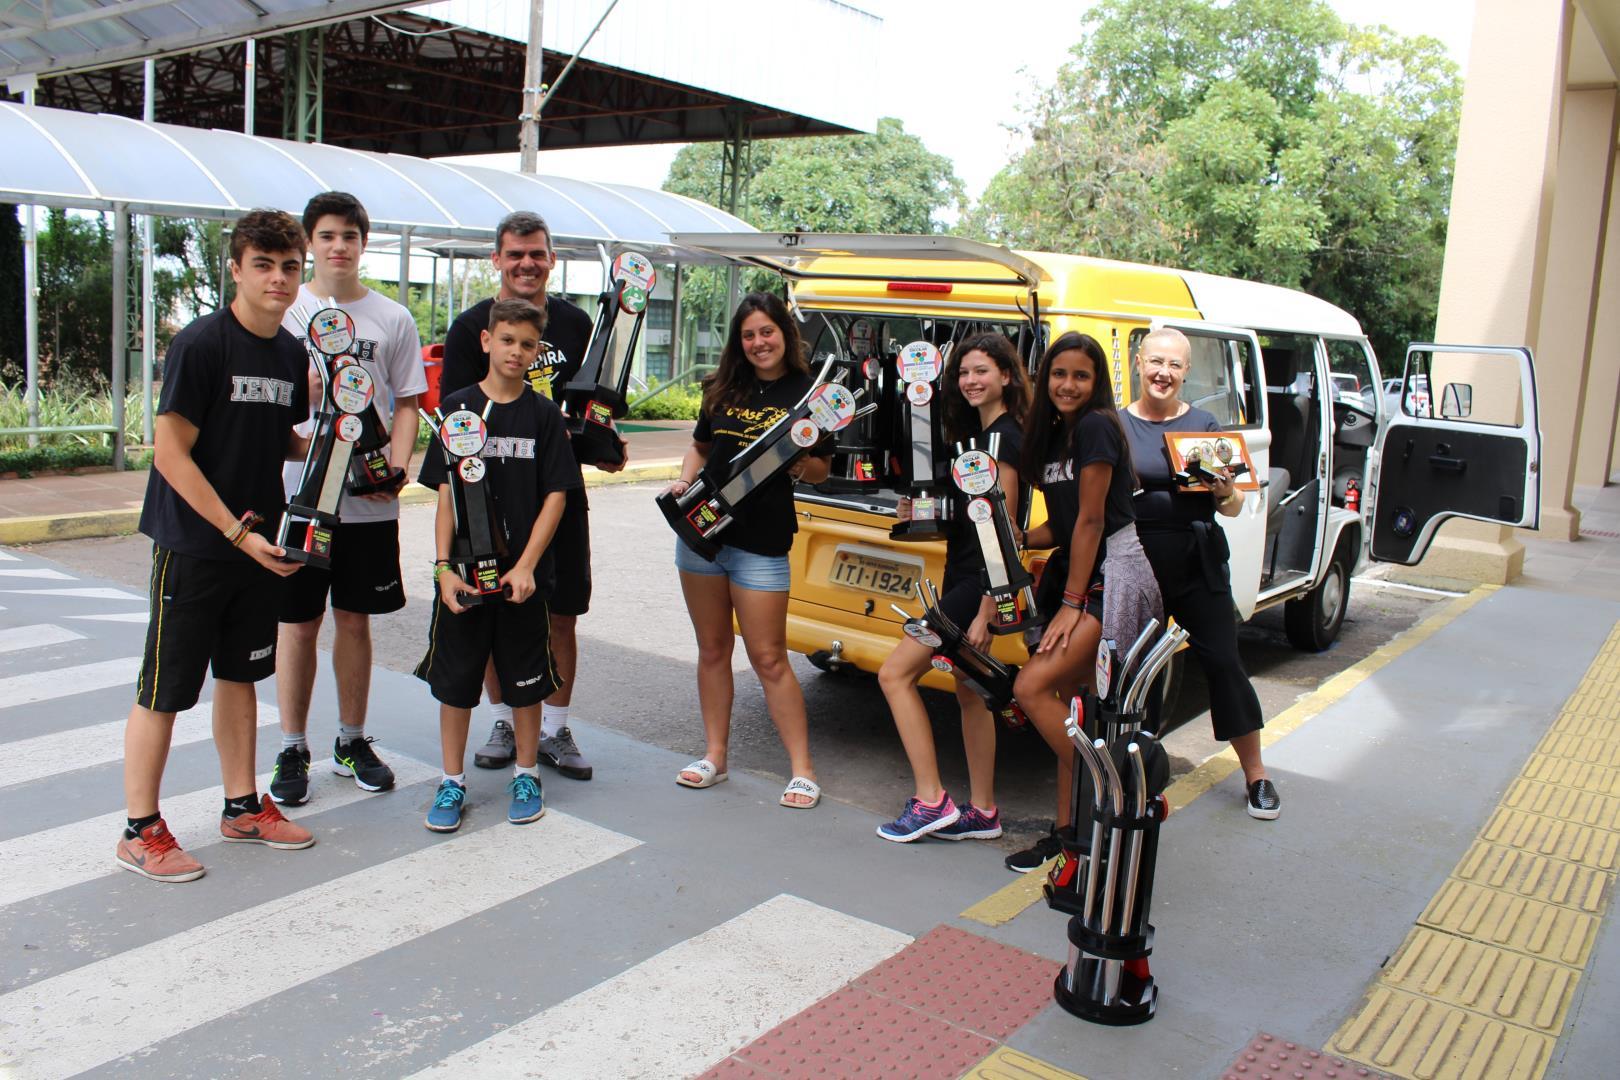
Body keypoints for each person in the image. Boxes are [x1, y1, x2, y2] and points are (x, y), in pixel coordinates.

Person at [116, 209, 315, 883]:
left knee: (241, 676)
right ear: (236, 269)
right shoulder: (203, 345)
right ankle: (140, 829)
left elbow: (272, 434)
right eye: (263, 265)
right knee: (165, 688)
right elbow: (170, 454)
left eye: (290, 266)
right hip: (198, 544)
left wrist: (338, 441)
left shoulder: (292, 351)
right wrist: (234, 531)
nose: (278, 279)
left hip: (260, 544)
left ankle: (241, 807)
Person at [441, 211, 619, 783]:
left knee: (561, 615)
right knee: (493, 613)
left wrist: (601, 441)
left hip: (556, 495)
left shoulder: (576, 322)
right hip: (485, 501)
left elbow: (589, 408)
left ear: (551, 260)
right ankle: (501, 718)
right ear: (496, 259)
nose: (526, 263)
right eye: (515, 253)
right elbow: (457, 422)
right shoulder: (471, 328)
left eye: (537, 253)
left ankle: (555, 728)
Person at [269, 192, 428, 807]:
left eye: (350, 236)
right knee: (297, 623)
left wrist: (399, 461)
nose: (339, 246)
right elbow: (270, 402)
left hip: (367, 497)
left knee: (355, 621)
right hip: (302, 496)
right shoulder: (287, 310)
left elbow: (409, 401)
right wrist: (304, 389)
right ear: (311, 241)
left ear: (365, 243)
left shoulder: (392, 318)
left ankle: (351, 739)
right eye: (328, 235)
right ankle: (291, 745)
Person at [415, 298, 578, 832]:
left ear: (537, 353)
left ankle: (526, 773)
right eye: (506, 340)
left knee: (526, 681)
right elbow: (445, 496)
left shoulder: (544, 416)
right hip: (465, 576)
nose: (516, 351)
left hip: (521, 581)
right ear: (487, 341)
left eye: (527, 344)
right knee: (457, 683)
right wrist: (442, 568)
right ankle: (451, 782)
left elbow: (556, 495)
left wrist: (528, 565)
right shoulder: (458, 408)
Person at [1004, 332, 1162, 873]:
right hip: (1081, 568)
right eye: (1059, 374)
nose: (1067, 385)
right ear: (1044, 379)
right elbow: (1065, 524)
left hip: (1112, 573)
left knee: (1032, 686)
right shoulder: (1054, 436)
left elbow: (1094, 521)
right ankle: (1070, 837)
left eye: (1081, 376)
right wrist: (1013, 538)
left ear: (1096, 384)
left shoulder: (1096, 427)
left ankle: (1106, 788)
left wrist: (1071, 603)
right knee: (1072, 708)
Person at [667, 292, 827, 809]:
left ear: (785, 333)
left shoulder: (810, 395)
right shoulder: (722, 389)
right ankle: (714, 756)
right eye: (749, 334)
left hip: (761, 543)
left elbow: (822, 469)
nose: (759, 343)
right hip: (702, 537)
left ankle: (802, 771)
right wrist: (684, 481)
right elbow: (701, 445)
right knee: (712, 650)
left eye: (767, 332)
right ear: (740, 341)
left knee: (768, 657)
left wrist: (795, 457)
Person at [875, 332, 1032, 842]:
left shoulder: (1005, 438)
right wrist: (922, 513)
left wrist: (988, 609)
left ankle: (930, 801)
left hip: (976, 583)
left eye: (982, 371)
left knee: (895, 675)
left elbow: (1003, 533)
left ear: (1007, 375)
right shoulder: (976, 438)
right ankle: (982, 811)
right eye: (963, 372)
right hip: (963, 572)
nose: (970, 380)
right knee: (969, 692)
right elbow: (972, 519)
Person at [1123, 327, 1279, 819]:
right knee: (1133, 674)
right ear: (1138, 362)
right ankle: (1135, 777)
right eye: (1155, 362)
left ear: (1186, 372)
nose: (1163, 373)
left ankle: (1256, 775)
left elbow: (1231, 508)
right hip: (1136, 564)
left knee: (1225, 665)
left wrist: (1224, 491)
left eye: (1174, 365)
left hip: (1196, 562)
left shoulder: (1205, 426)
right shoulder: (1115, 425)